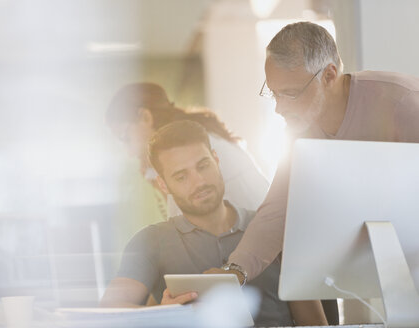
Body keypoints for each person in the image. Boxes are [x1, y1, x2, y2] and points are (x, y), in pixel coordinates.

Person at [204, 21, 419, 324]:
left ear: (329, 75)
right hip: (379, 271)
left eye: (290, 93)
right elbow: (277, 210)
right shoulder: (298, 131)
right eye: (274, 93)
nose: (278, 107)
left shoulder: (403, 102)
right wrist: (234, 272)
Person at [100, 120, 328, 326]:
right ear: (163, 185)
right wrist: (162, 314)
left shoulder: (270, 228)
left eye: (203, 166)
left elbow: (315, 323)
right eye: (181, 176)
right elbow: (107, 314)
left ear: (216, 160)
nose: (199, 182)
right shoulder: (150, 241)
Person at [106, 83, 269, 221]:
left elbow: (191, 231)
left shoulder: (188, 150)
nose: (130, 153)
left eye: (126, 138)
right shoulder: (194, 138)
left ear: (145, 117)